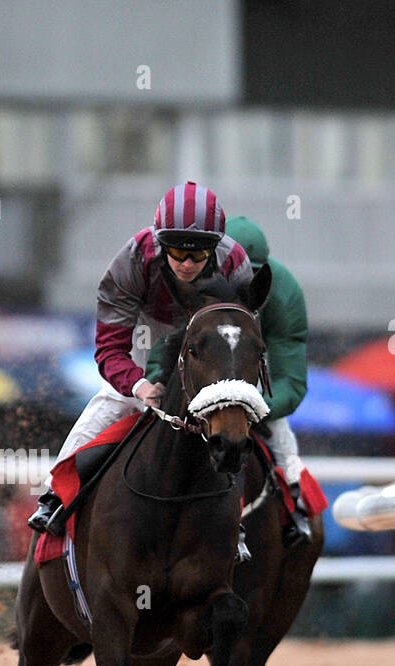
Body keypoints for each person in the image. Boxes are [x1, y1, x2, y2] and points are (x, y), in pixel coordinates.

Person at [28, 181, 253, 534]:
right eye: (177, 253)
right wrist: (138, 386)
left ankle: (237, 519)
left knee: (233, 417)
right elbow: (110, 349)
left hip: (208, 337)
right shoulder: (131, 261)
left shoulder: (236, 264)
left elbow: (241, 336)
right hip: (149, 330)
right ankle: (54, 496)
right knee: (113, 401)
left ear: (216, 248)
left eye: (199, 254)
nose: (188, 263)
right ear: (160, 243)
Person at [144, 214, 312, 545]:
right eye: (233, 270)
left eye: (251, 276)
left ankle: (296, 507)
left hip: (251, 393)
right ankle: (61, 498)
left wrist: (247, 406)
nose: (241, 281)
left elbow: (291, 380)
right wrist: (160, 392)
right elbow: (161, 353)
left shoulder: (284, 292)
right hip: (192, 392)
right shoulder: (192, 286)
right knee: (126, 418)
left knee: (282, 434)